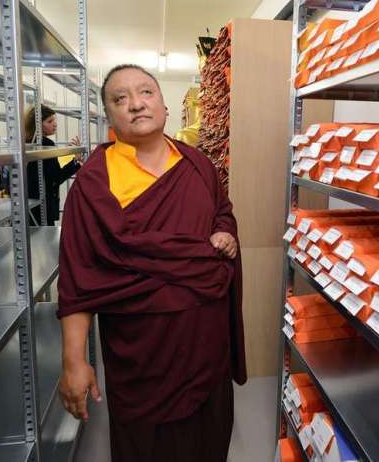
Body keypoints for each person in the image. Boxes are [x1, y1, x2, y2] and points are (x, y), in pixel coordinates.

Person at [56, 64, 246, 462]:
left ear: (164, 105)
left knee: (206, 441)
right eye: (119, 99)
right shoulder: (95, 181)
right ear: (109, 115)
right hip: (139, 349)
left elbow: (221, 212)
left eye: (146, 93)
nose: (136, 104)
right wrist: (74, 361)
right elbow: (78, 276)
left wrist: (224, 231)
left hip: (204, 339)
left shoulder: (197, 165)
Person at [25, 105, 81, 225]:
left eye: (54, 120)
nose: (54, 124)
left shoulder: (26, 143)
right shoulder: (47, 144)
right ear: (38, 124)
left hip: (27, 206)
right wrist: (75, 161)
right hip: (43, 207)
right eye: (49, 121)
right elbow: (55, 178)